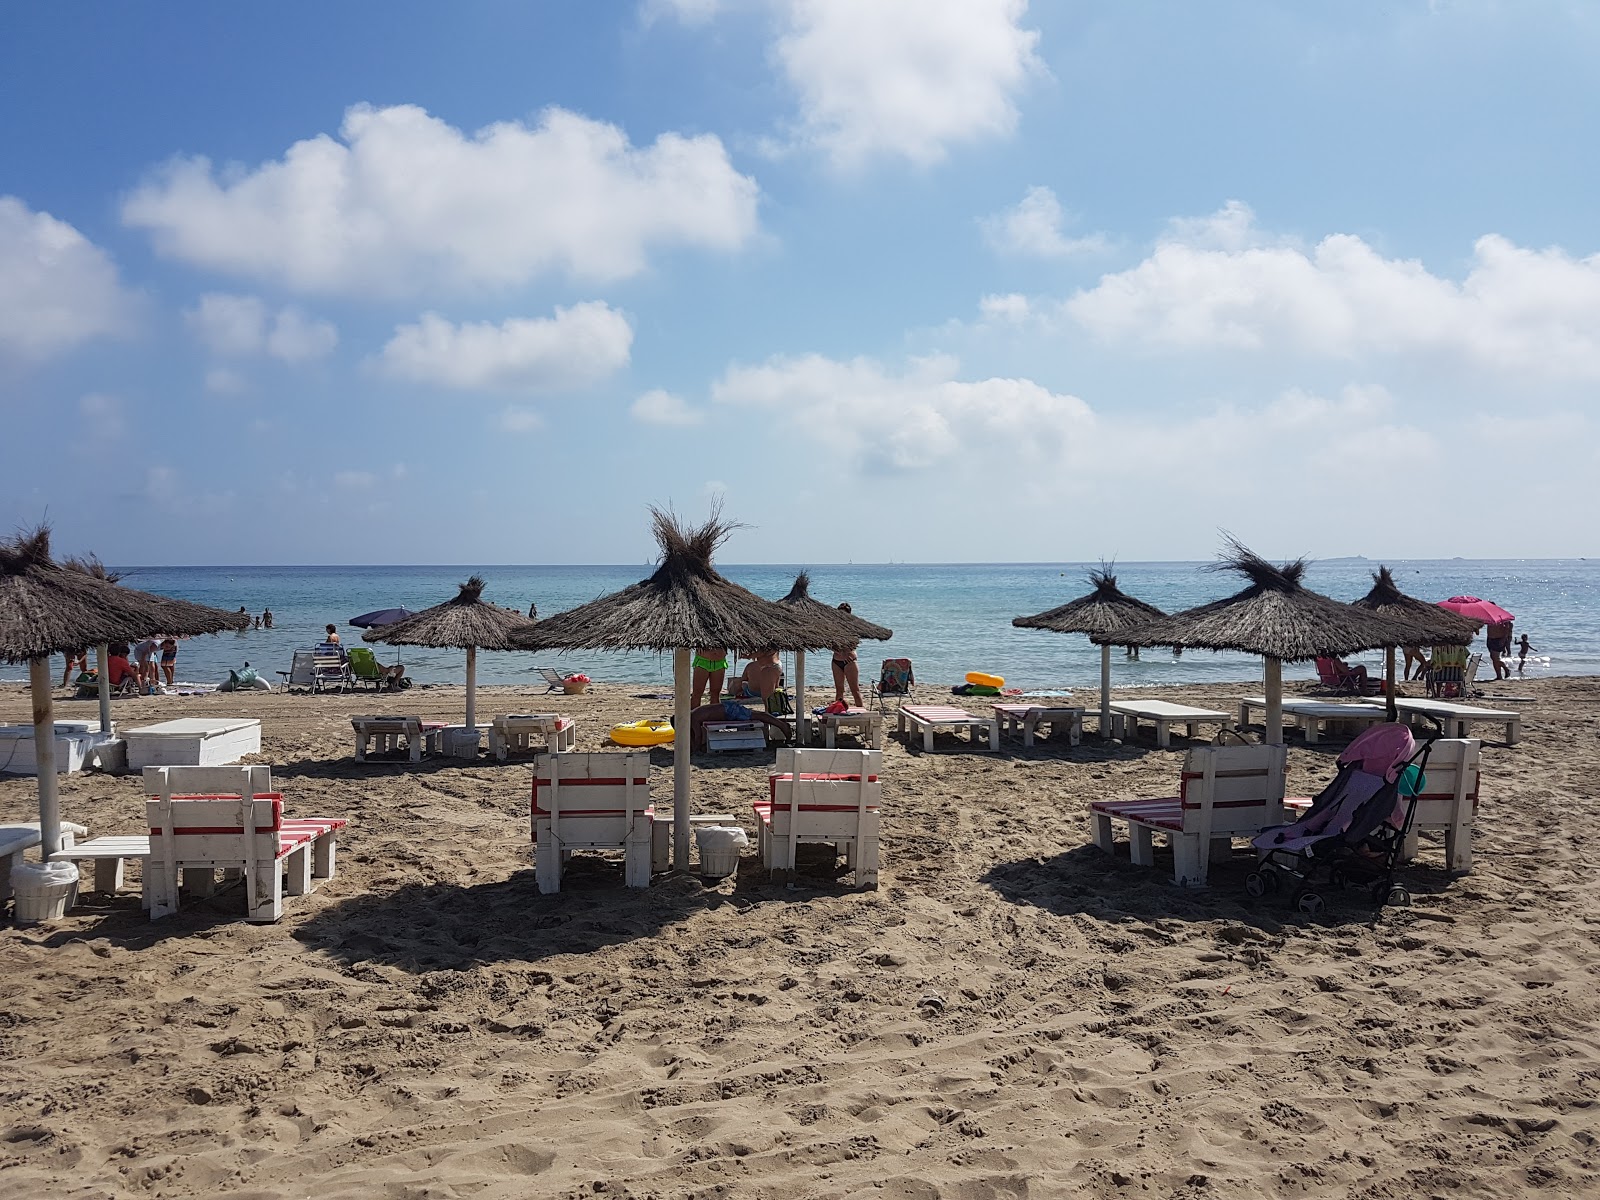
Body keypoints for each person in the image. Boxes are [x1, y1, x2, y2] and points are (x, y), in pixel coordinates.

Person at [688, 700, 791, 751]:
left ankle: (782, 726)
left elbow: (698, 735)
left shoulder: (692, 718)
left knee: (759, 716)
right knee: (757, 715)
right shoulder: (693, 713)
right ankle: (781, 725)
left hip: (728, 711)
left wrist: (696, 750)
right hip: (726, 708)